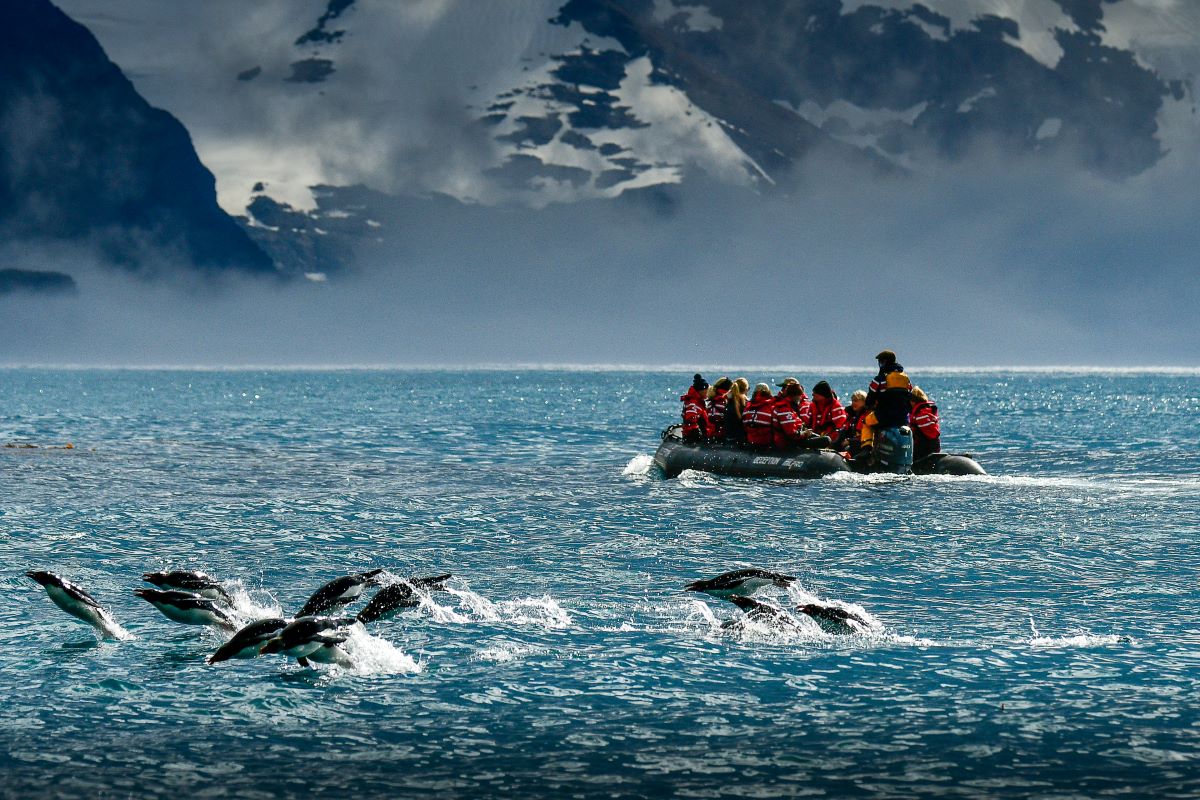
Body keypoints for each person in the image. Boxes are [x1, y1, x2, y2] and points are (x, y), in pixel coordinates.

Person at [771, 382, 816, 449]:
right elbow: (791, 434)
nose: (801, 398)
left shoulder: (788, 407)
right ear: (796, 395)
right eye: (800, 395)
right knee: (825, 440)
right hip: (787, 443)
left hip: (792, 440)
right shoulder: (784, 410)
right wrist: (805, 433)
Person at [909, 386, 941, 461]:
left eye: (911, 400)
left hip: (924, 448)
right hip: (934, 445)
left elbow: (928, 433)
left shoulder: (921, 414)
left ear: (914, 401)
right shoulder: (927, 411)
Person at [680, 374, 714, 443]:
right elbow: (691, 420)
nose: (707, 393)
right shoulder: (693, 403)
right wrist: (700, 435)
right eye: (706, 390)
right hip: (692, 437)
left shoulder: (699, 402)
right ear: (701, 390)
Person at [741, 383, 775, 448]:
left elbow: (744, 425)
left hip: (751, 442)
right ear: (769, 392)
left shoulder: (747, 406)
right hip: (767, 443)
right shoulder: (772, 406)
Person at [837, 389, 868, 453]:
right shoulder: (851, 416)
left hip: (862, 446)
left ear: (864, 402)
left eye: (856, 401)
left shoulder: (867, 416)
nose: (853, 403)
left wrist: (850, 441)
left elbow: (864, 436)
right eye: (852, 401)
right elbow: (846, 431)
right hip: (851, 442)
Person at [723, 378, 750, 445]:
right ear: (745, 389)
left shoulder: (727, 401)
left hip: (729, 438)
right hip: (740, 441)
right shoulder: (745, 403)